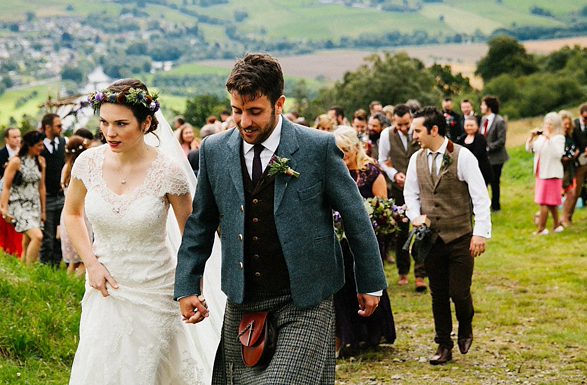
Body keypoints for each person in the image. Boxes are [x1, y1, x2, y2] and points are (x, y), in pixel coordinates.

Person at [176, 52, 386, 384]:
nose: (244, 121)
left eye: (255, 111)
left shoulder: (317, 147)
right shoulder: (214, 150)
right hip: (243, 298)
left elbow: (355, 214)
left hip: (305, 296)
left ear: (279, 103)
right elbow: (201, 222)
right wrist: (187, 284)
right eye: (237, 111)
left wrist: (371, 281)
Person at [65, 79, 219, 383]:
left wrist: (191, 288)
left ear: (147, 122)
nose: (110, 132)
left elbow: (192, 235)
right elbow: (72, 213)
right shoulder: (88, 163)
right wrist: (91, 264)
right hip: (105, 288)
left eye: (121, 123)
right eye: (105, 123)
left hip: (156, 290)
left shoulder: (168, 171)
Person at [404, 106, 491, 365]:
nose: (414, 135)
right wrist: (415, 216)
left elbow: (480, 197)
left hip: (461, 237)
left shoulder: (463, 157)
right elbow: (411, 194)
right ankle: (443, 344)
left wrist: (480, 233)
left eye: (417, 130)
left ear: (434, 130)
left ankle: (466, 322)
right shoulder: (415, 159)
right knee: (438, 293)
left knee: (459, 292)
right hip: (430, 238)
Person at [332, 126, 396, 355]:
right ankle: (348, 335)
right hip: (339, 240)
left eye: (346, 149)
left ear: (356, 147)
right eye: (338, 150)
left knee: (366, 283)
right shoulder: (333, 170)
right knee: (343, 287)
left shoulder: (371, 172)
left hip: (366, 239)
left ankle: (373, 333)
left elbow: (383, 208)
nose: (343, 154)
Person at [378, 103, 426, 291]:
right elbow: (382, 159)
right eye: (400, 125)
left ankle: (420, 274)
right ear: (393, 121)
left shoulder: (421, 131)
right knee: (401, 231)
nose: (404, 128)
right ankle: (402, 271)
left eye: (407, 124)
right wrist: (394, 174)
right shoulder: (386, 135)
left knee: (422, 229)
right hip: (399, 188)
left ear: (411, 118)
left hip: (422, 186)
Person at [0, 130, 47, 265]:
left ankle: (24, 271)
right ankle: (31, 269)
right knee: (37, 237)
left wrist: (43, 210)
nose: (42, 148)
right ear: (30, 145)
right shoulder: (16, 162)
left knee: (27, 240)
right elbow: (6, 187)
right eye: (39, 145)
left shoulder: (41, 161)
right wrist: (4, 209)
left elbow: (42, 187)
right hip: (19, 204)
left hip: (35, 204)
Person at [526, 113, 566, 235]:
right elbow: (531, 149)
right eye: (546, 123)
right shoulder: (541, 137)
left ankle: (541, 228)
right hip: (541, 172)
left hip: (552, 173)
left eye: (550, 124)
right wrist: (531, 138)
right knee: (551, 202)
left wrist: (549, 138)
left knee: (544, 201)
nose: (547, 126)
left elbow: (558, 154)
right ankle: (556, 225)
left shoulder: (559, 138)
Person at [59, 135, 91, 277]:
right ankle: (77, 286)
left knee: (73, 261)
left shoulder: (65, 168)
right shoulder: (83, 169)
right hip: (81, 214)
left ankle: (68, 284)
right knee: (85, 258)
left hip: (67, 213)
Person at [0, 126, 24, 254]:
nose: (17, 140)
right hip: (3, 193)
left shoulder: (24, 153)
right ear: (6, 139)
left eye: (19, 136)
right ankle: (9, 249)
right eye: (14, 137)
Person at [40, 113, 67, 267]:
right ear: (48, 127)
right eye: (58, 125)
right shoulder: (39, 146)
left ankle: (56, 265)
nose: (61, 128)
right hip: (46, 197)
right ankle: (44, 266)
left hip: (61, 196)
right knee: (48, 236)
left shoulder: (63, 143)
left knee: (60, 234)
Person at [480, 95, 509, 212]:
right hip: (485, 158)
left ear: (489, 106)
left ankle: (496, 206)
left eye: (483, 104)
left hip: (497, 157)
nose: (481, 107)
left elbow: (501, 141)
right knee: (483, 181)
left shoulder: (499, 121)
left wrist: (487, 148)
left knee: (494, 181)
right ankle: (484, 205)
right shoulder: (483, 119)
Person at [558, 110, 580, 225]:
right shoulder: (554, 135)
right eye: (565, 124)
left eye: (568, 124)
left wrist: (574, 153)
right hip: (557, 168)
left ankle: (564, 218)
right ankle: (540, 215)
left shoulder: (570, 135)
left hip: (569, 168)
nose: (567, 126)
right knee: (554, 194)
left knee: (571, 193)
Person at [460, 117, 491, 189]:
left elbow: (477, 154)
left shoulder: (480, 138)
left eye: (471, 125)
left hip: (481, 170)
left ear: (477, 126)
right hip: (467, 171)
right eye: (467, 125)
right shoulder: (463, 137)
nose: (469, 127)